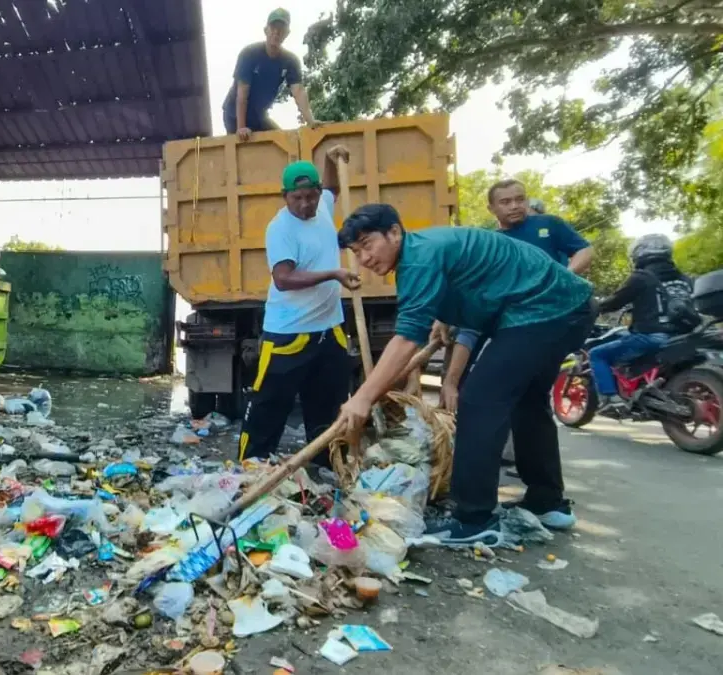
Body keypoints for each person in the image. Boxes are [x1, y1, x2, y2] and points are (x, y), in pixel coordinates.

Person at [335, 204, 595, 544]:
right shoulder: (422, 251)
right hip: (566, 308)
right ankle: (548, 502)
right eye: (356, 253)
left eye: (367, 245)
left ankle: (475, 519)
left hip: (546, 309)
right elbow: (474, 281)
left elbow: (407, 338)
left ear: (395, 232)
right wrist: (447, 317)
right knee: (527, 402)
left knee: (480, 402)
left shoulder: (419, 256)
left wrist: (364, 397)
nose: (363, 260)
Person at [239, 150, 361, 463]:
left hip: (329, 332)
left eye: (311, 196)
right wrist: (333, 273)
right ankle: (249, 474)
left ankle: (328, 474)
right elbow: (283, 278)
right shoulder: (280, 229)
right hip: (288, 336)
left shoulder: (323, 206)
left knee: (328, 411)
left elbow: (332, 188)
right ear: (285, 196)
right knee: (268, 410)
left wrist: (332, 163)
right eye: (297, 198)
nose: (305, 204)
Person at [440, 179, 594, 412]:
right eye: (506, 202)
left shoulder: (548, 225)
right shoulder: (492, 243)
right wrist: (443, 317)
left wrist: (563, 276)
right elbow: (473, 290)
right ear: (491, 209)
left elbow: (585, 250)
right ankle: (452, 391)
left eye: (520, 199)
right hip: (509, 317)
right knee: (469, 333)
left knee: (529, 395)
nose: (514, 206)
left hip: (548, 318)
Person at [590, 233, 694, 413]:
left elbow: (614, 302)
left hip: (653, 337)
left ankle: (610, 400)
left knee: (597, 354)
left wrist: (591, 309)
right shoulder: (686, 279)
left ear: (640, 253)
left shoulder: (640, 277)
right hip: (685, 337)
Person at [222, 8, 321, 141]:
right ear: (266, 30)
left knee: (285, 141)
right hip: (234, 115)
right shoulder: (249, 54)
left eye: (281, 29)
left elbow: (298, 91)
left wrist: (311, 122)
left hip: (258, 116)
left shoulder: (290, 61)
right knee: (244, 148)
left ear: (287, 33)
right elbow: (242, 94)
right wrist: (241, 128)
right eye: (273, 27)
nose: (276, 32)